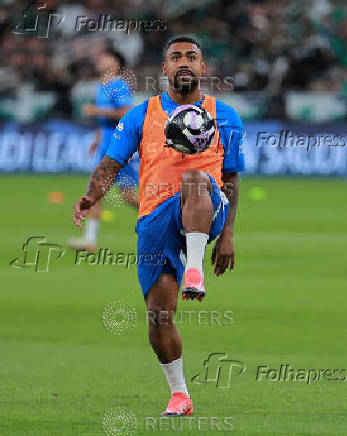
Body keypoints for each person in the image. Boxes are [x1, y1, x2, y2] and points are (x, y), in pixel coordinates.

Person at [72, 36, 244, 416]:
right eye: (175, 57)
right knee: (158, 316)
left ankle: (194, 271)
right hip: (154, 218)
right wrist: (90, 196)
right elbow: (111, 163)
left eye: (192, 57)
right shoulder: (141, 115)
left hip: (206, 205)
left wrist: (228, 235)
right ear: (164, 69)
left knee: (195, 181)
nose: (184, 62)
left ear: (203, 67)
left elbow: (230, 178)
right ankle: (180, 394)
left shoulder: (225, 115)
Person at [69, 48, 139, 252]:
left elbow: (126, 113)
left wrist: (95, 110)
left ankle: (165, 221)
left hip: (120, 144)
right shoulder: (102, 86)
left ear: (116, 64)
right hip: (107, 142)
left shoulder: (118, 85)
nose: (100, 60)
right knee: (98, 191)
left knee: (126, 196)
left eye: (105, 57)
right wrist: (97, 139)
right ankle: (89, 240)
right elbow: (106, 122)